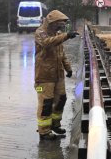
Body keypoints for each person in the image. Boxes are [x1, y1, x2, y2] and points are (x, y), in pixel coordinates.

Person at [34, 10, 79, 141]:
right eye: (58, 24)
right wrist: (66, 36)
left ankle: (55, 124)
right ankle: (44, 131)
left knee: (61, 99)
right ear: (51, 23)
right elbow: (48, 43)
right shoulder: (40, 33)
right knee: (45, 103)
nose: (60, 27)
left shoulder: (57, 35)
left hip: (58, 75)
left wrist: (68, 68)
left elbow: (62, 54)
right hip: (43, 77)